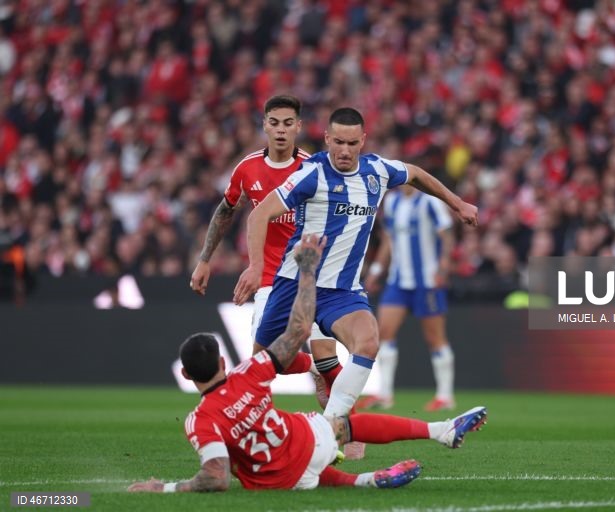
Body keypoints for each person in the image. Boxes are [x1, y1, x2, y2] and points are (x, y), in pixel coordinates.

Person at [128, 234, 488, 493]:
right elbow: (299, 329)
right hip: (309, 445)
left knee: (287, 465)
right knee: (339, 427)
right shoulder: (249, 373)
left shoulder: (199, 420)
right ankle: (438, 431)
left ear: (186, 373)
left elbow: (217, 475)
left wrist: (164, 488)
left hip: (280, 484)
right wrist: (307, 271)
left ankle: (362, 480)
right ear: (223, 360)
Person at [232, 107, 478, 422]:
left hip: (341, 291)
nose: (344, 151)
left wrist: (457, 204)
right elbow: (259, 213)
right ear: (326, 139)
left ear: (362, 141)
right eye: (338, 142)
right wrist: (254, 268)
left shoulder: (377, 171)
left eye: (351, 143)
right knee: (262, 366)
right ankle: (248, 423)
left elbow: (414, 173)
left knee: (369, 341)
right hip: (293, 284)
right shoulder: (312, 174)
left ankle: (332, 426)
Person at [188, 95, 347, 419]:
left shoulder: (312, 167)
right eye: (274, 123)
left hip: (309, 273)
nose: (280, 130)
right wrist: (205, 259)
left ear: (298, 127)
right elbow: (225, 211)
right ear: (264, 125)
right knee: (266, 360)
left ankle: (352, 432)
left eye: (288, 123)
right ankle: (312, 370)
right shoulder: (247, 168)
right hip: (269, 277)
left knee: (326, 355)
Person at [360, 185, 456, 412]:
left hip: (427, 282)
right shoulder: (392, 202)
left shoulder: (430, 202)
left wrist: (443, 267)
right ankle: (384, 394)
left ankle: (445, 396)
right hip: (398, 281)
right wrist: (375, 271)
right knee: (384, 333)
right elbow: (388, 241)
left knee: (435, 338)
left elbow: (447, 236)